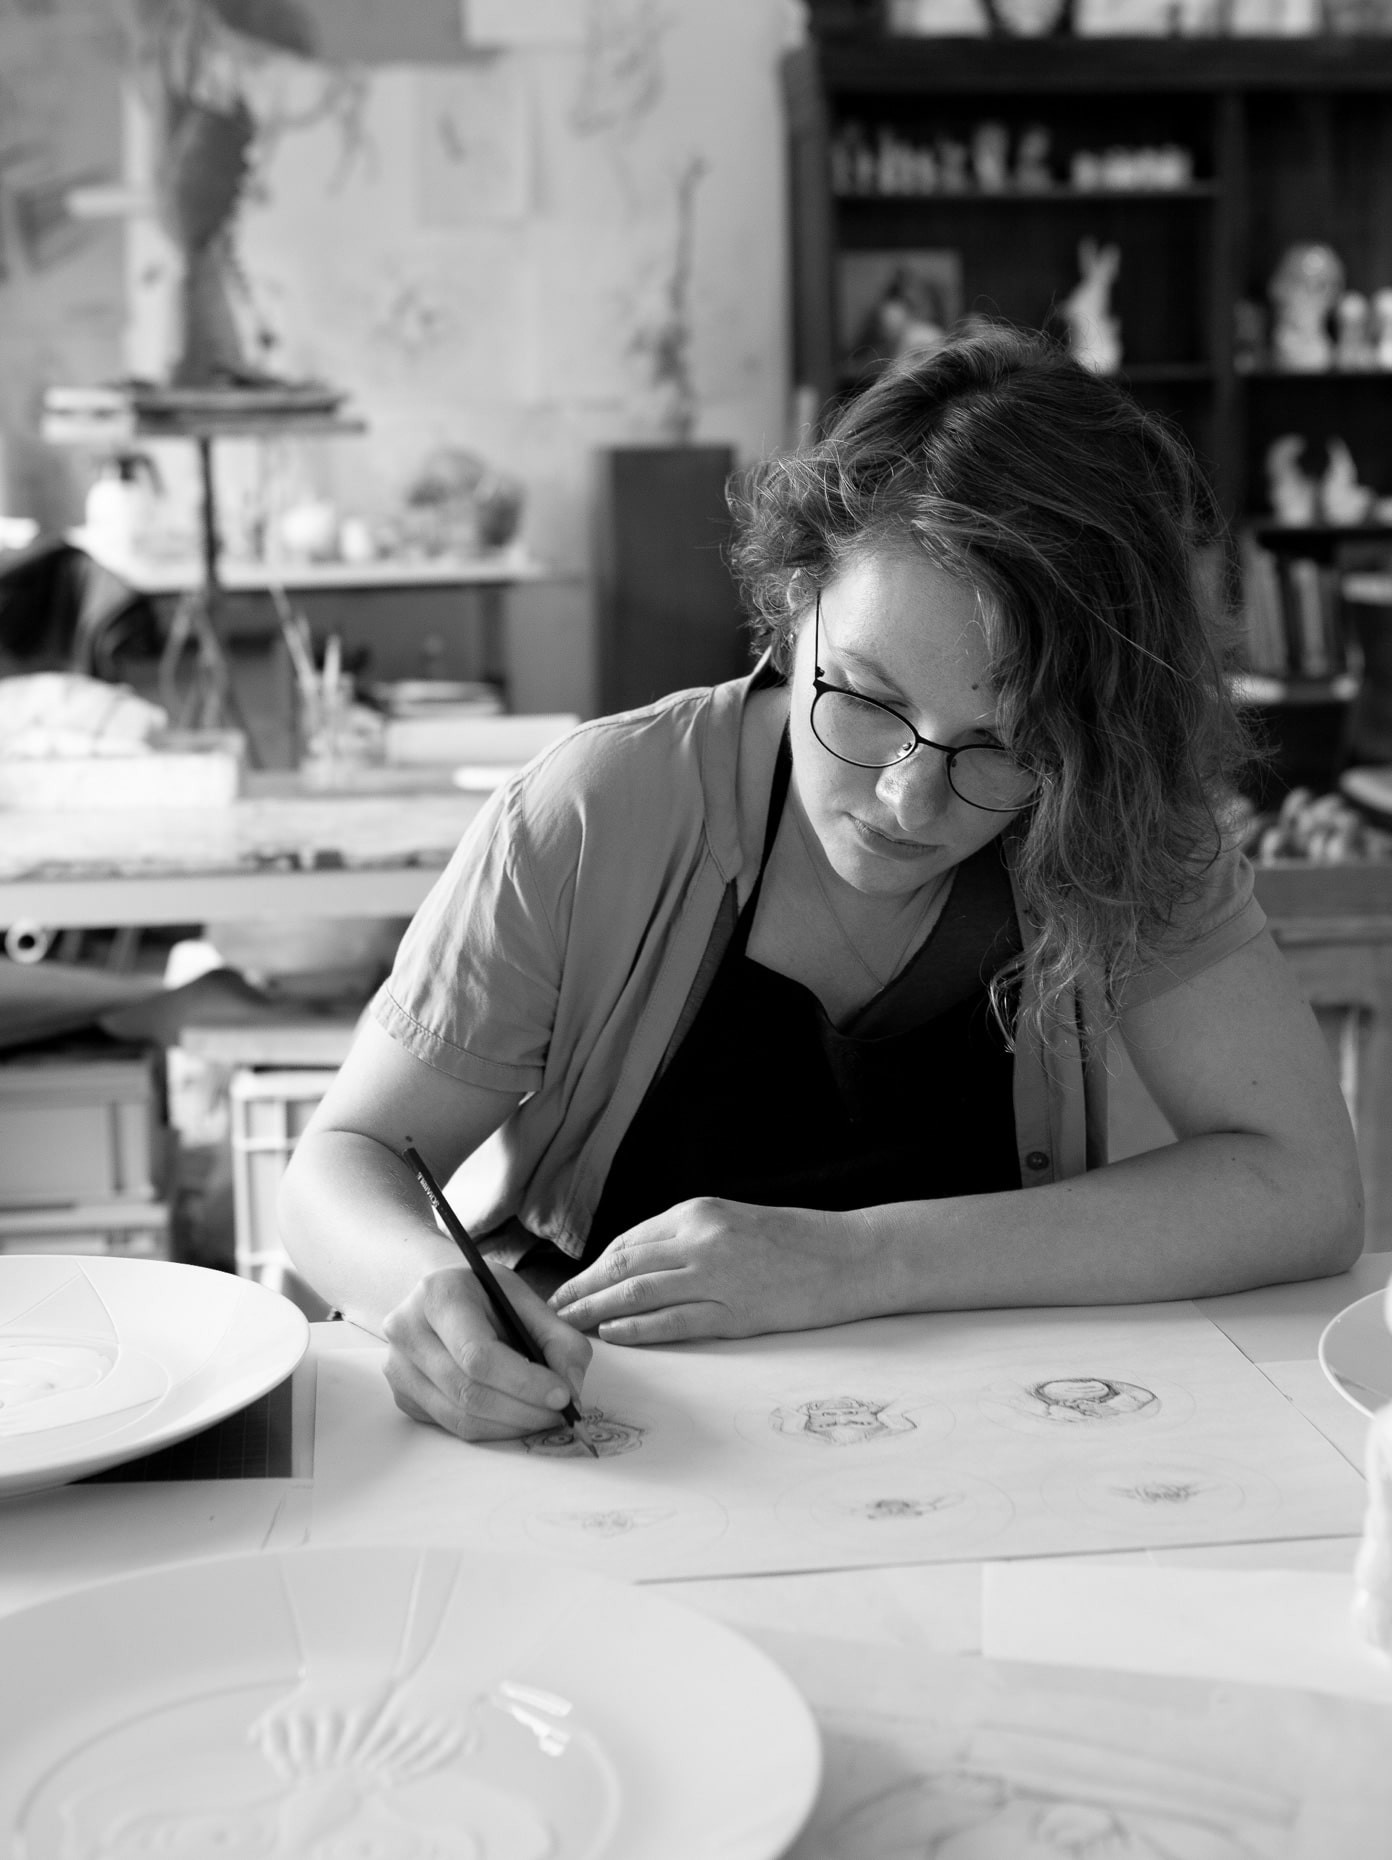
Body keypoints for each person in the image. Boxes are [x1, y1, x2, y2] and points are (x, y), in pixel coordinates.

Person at [279, 325, 1363, 1444]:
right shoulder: (599, 809)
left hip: (983, 1442)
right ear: (796, 601)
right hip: (620, 1437)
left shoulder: (1112, 817)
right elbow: (338, 1164)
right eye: (865, 697)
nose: (908, 800)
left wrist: (858, 1260)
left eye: (1004, 744)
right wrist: (423, 1294)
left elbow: (1305, 1190)